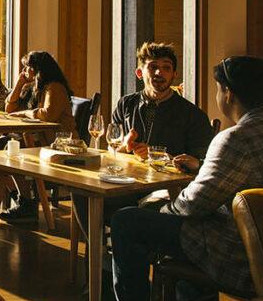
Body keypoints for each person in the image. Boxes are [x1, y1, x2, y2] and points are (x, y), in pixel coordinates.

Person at [109, 55, 263, 301]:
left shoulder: (235, 139)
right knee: (185, 221)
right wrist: (202, 168)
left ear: (228, 93)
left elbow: (194, 204)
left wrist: (160, 211)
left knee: (128, 221)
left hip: (243, 255)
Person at [73, 42, 213, 232]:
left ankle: (126, 249)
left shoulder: (192, 114)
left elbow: (202, 163)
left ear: (174, 75)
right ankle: (98, 254)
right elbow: (113, 147)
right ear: (140, 73)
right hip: (127, 182)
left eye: (166, 67)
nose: (159, 73)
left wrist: (161, 157)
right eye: (153, 67)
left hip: (167, 190)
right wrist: (122, 147)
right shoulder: (126, 104)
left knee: (143, 210)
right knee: (82, 191)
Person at [0, 50, 76, 223]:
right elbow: (9, 109)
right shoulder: (34, 88)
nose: (24, 70)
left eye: (27, 67)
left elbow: (49, 114)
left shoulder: (54, 87)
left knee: (10, 151)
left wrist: (25, 114)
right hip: (38, 138)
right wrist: (19, 82)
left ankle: (26, 203)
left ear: (36, 69)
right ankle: (22, 198)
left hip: (55, 142)